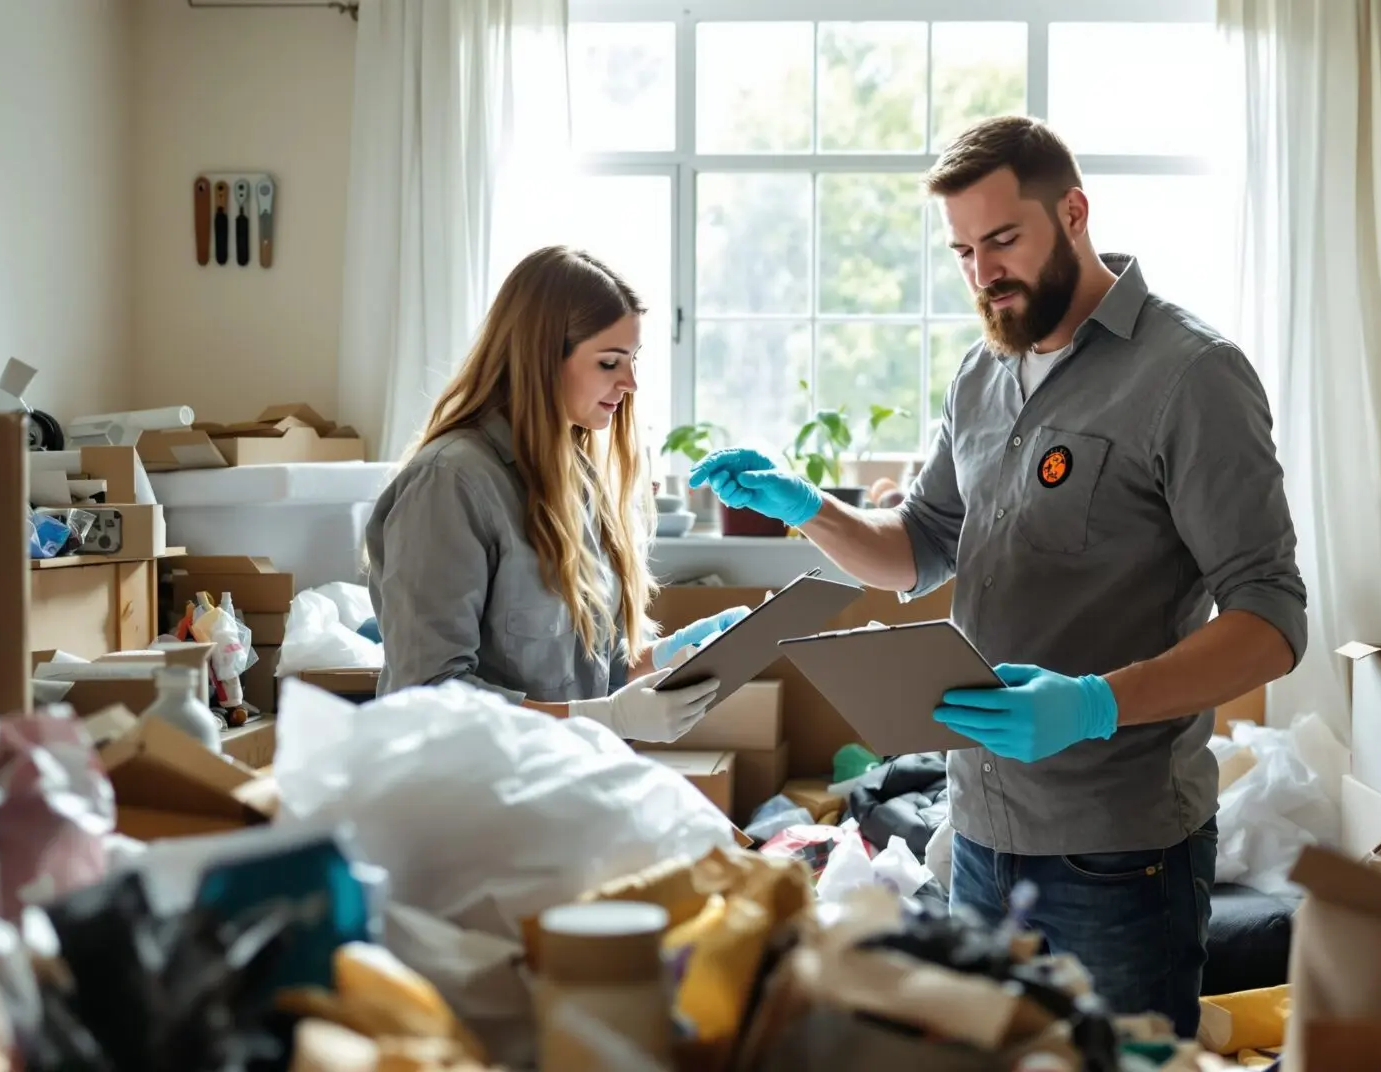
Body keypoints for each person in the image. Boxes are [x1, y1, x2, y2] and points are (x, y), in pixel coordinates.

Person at [691, 117, 1305, 1034]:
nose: (984, 273)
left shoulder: (1191, 374)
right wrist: (805, 507)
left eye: (1003, 240)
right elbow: (919, 547)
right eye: (964, 251)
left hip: (1120, 849)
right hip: (976, 825)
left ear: (1075, 211)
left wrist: (1093, 702)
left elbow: (1270, 619)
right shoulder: (982, 373)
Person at [366, 245, 748, 742]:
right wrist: (604, 720)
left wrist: (667, 660)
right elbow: (427, 696)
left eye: (633, 361)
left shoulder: (574, 478)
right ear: (542, 358)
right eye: (610, 363)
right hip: (466, 799)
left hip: (558, 786)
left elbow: (587, 673)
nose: (630, 382)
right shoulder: (450, 483)